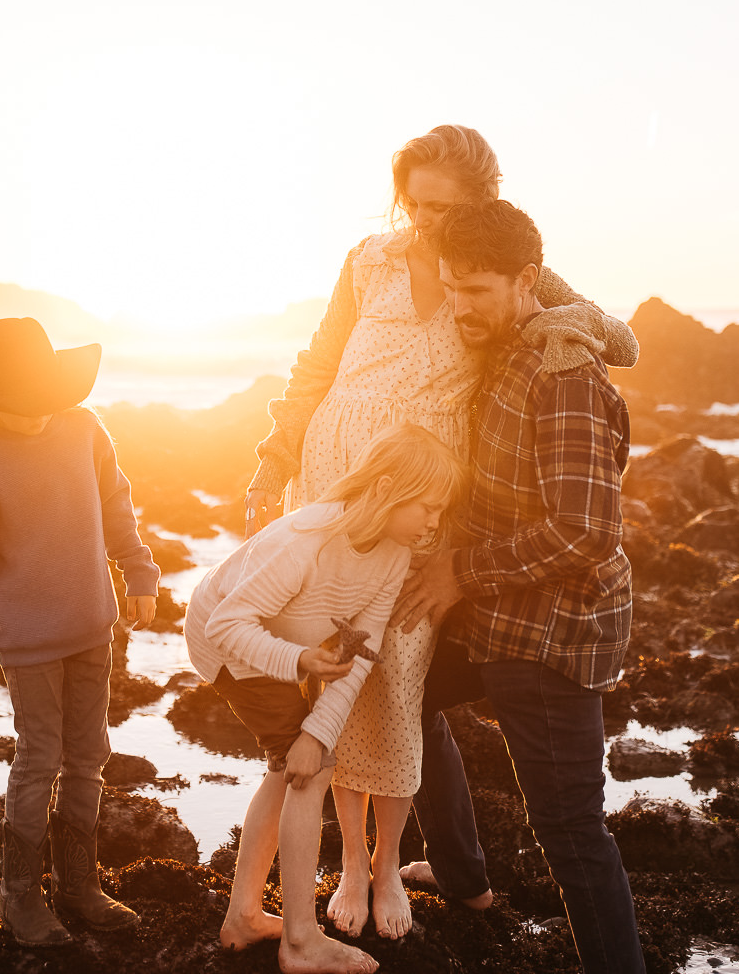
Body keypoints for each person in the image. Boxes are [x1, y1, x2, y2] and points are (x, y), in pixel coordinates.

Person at [244, 124, 636, 938]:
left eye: (441, 208)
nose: (422, 224)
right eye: (412, 205)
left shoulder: (506, 267)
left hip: (429, 502)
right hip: (337, 485)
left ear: (484, 205)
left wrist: (569, 333)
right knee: (357, 677)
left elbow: (618, 339)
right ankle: (390, 865)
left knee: (400, 680)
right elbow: (316, 366)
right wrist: (272, 457)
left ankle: (397, 869)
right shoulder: (369, 259)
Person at [392, 200, 647, 974]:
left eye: (475, 291)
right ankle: (462, 872)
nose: (458, 308)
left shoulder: (562, 372)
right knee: (403, 695)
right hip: (494, 617)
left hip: (549, 632)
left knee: (570, 832)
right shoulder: (508, 342)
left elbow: (585, 532)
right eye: (450, 288)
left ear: (524, 281)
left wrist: (459, 571)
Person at [189, 424, 465, 974]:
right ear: (387, 488)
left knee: (300, 762)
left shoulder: (390, 556)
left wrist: (317, 732)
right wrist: (298, 663)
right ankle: (299, 942)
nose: (435, 522)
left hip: (281, 645)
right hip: (229, 644)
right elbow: (227, 623)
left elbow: (357, 656)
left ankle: (244, 916)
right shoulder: (305, 541)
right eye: (429, 508)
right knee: (308, 774)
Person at [0, 316, 160, 948]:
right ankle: (20, 897)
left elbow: (117, 502)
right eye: (15, 404)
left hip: (95, 626)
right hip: (28, 645)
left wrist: (139, 569)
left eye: (41, 401)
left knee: (89, 758)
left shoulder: (85, 430)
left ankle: (78, 887)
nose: (32, 414)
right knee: (40, 761)